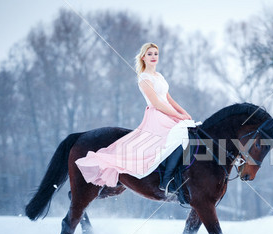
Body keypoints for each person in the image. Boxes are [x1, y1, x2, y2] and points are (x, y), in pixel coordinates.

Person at [75, 42, 198, 196]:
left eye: (155, 54)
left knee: (191, 136)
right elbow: (157, 103)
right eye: (150, 54)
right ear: (143, 57)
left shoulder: (158, 76)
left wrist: (184, 113)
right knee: (180, 137)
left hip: (169, 112)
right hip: (157, 115)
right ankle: (167, 180)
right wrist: (177, 116)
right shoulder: (144, 78)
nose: (153, 57)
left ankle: (183, 176)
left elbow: (168, 98)